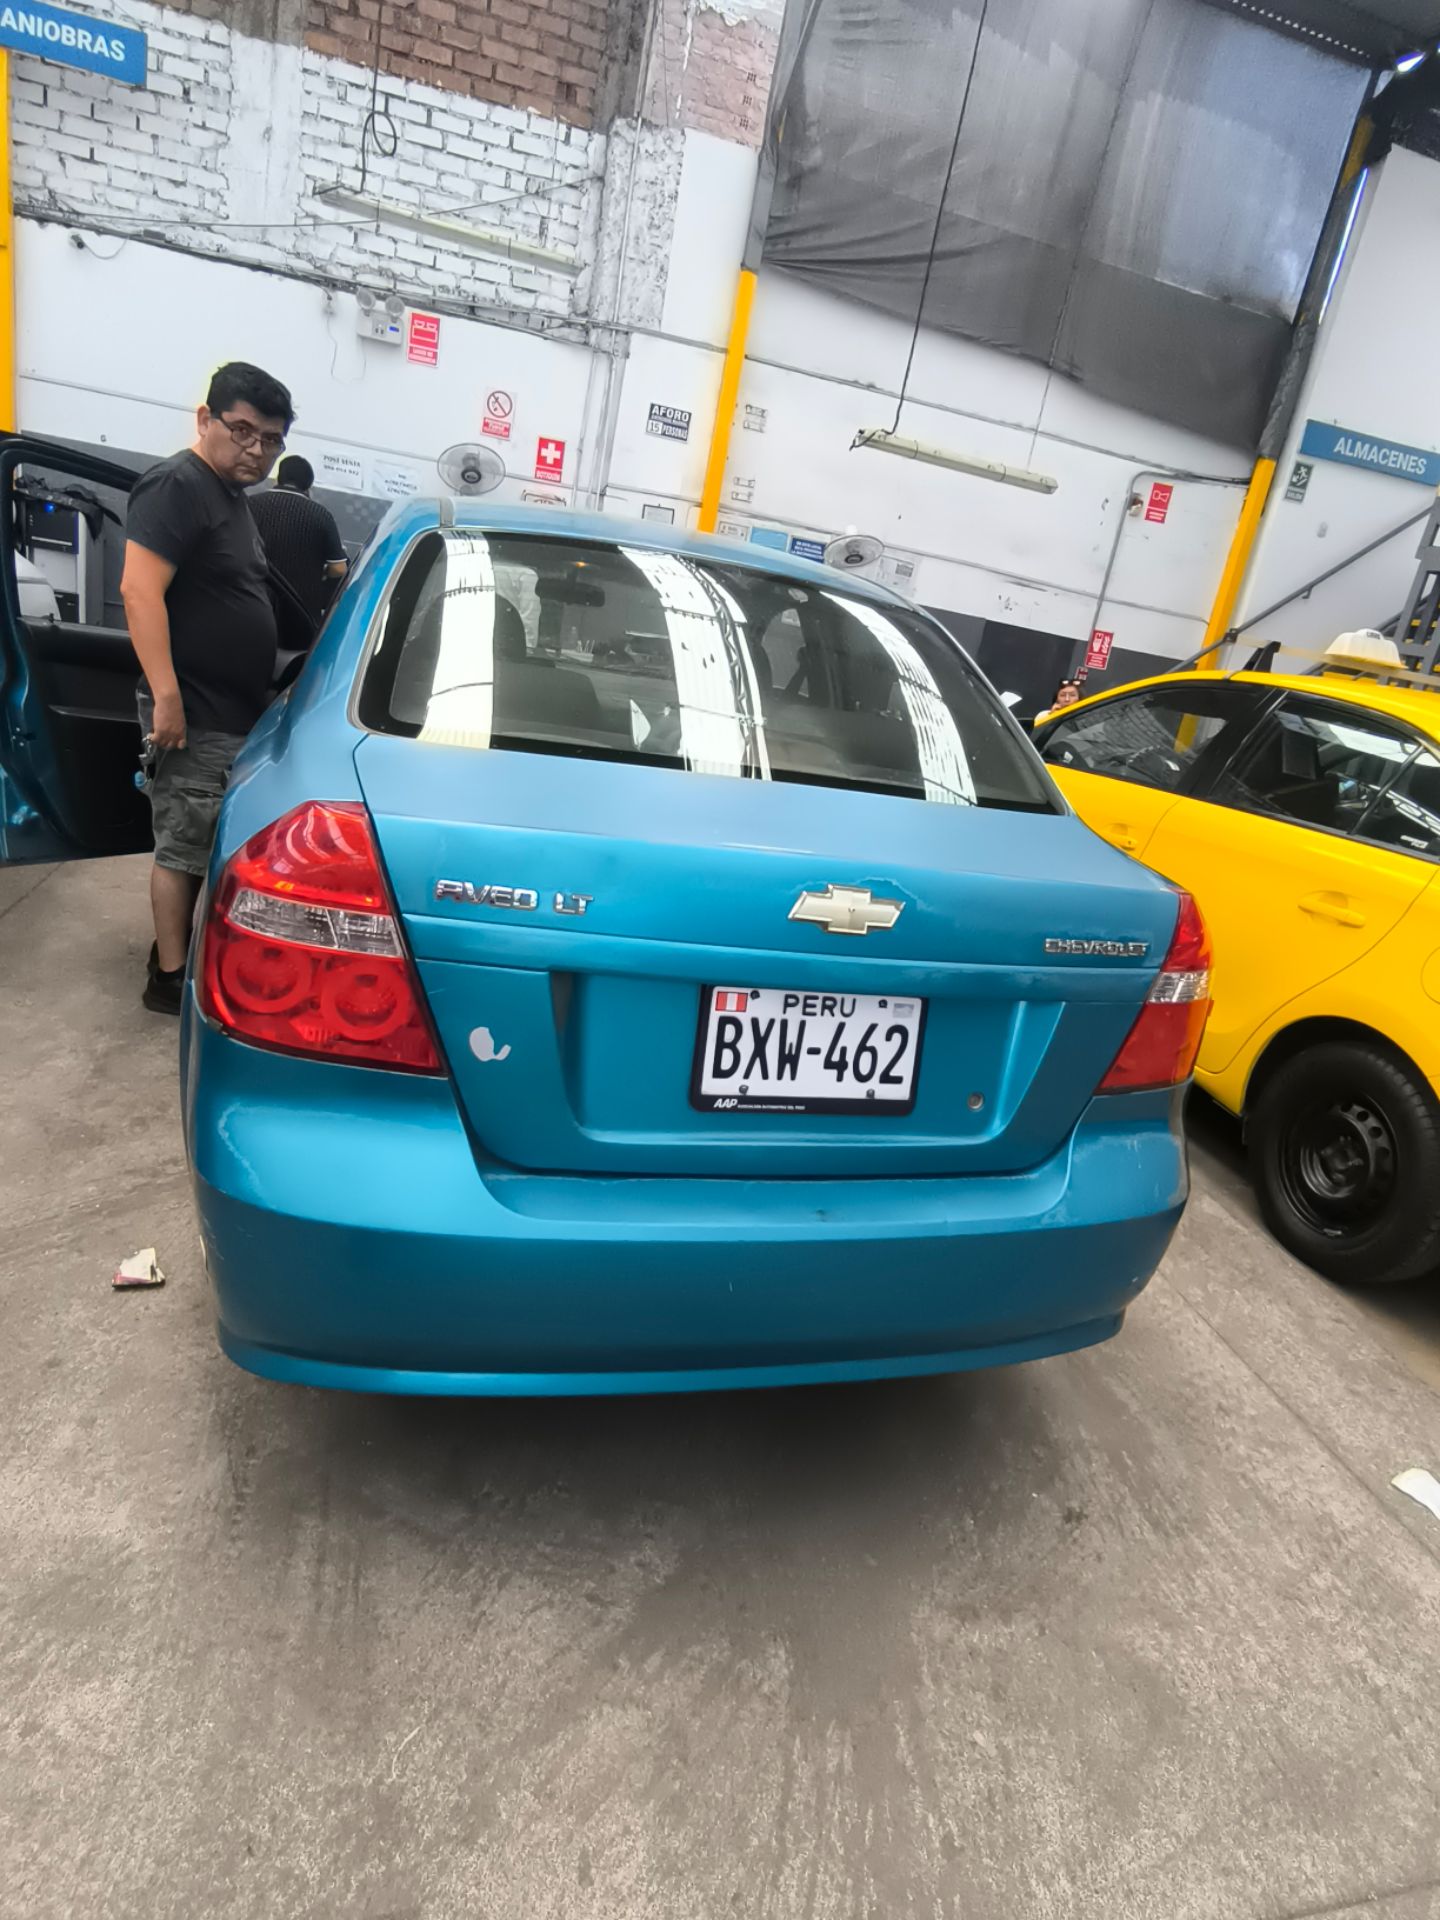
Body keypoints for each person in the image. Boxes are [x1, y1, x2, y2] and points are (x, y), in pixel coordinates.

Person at [121, 360, 294, 1016]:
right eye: (243, 431)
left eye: (270, 440)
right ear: (205, 419)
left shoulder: (229, 498)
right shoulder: (178, 485)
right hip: (193, 709)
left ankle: (178, 953)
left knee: (201, 842)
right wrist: (167, 697)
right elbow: (139, 591)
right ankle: (169, 979)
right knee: (184, 846)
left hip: (227, 711)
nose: (255, 450)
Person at [248, 453, 347, 632]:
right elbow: (339, 568)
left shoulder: (250, 505)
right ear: (309, 485)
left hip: (254, 606)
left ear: (278, 477)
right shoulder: (321, 515)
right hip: (302, 614)